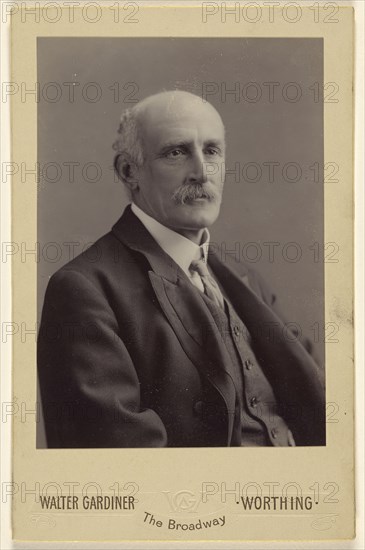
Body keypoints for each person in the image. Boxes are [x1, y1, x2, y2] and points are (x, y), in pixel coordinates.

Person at [38, 90, 325, 448]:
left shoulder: (240, 277)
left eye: (212, 151)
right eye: (176, 152)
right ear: (129, 171)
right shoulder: (84, 290)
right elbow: (121, 463)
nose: (201, 173)